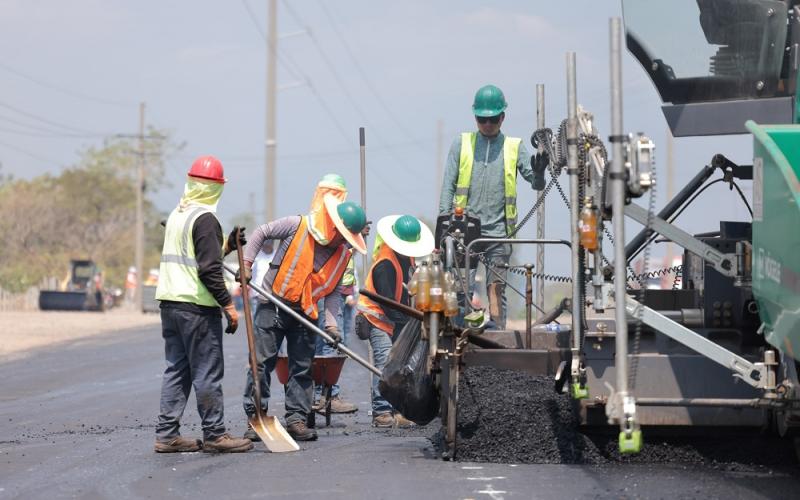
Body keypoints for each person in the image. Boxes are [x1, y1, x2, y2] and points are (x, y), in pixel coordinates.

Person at [241, 187, 368, 442]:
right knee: (262, 363)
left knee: (301, 368)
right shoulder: (298, 225)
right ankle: (256, 417)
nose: (342, 240)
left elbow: (332, 293)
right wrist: (246, 264)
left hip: (306, 312)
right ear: (332, 224)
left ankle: (296, 419)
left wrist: (331, 326)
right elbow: (261, 232)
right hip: (273, 303)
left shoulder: (343, 254)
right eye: (341, 235)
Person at [153, 155, 253, 453]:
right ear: (216, 188)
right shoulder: (206, 219)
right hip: (196, 308)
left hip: (171, 304)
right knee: (207, 370)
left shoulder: (177, 215)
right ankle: (215, 434)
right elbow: (208, 270)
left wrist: (226, 246)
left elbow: (199, 254)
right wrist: (229, 307)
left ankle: (167, 434)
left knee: (178, 369)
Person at [438, 84, 540, 329]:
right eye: (482, 119)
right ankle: (459, 341)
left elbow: (537, 183)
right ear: (475, 117)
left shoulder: (514, 147)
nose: (487, 125)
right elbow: (447, 188)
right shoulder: (461, 144)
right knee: (460, 292)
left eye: (492, 119)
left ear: (502, 117)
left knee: (496, 293)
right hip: (464, 232)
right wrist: (443, 230)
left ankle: (497, 344)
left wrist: (540, 169)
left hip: (498, 235)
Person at [356, 215, 434, 428]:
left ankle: (399, 408)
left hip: (395, 319)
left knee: (401, 364)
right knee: (385, 364)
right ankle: (381, 411)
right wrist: (410, 321)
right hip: (376, 319)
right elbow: (388, 303)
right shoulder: (385, 264)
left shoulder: (406, 259)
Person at [313, 255, 359, 414]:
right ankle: (329, 396)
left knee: (325, 345)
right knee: (329, 344)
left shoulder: (345, 241)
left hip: (335, 290)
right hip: (329, 290)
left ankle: (321, 396)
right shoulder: (338, 239)